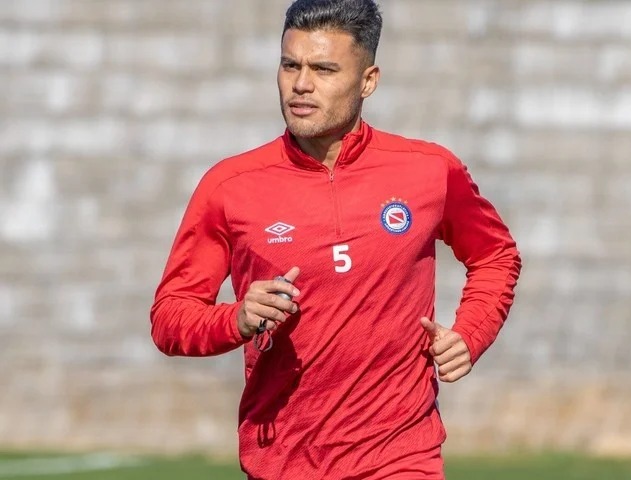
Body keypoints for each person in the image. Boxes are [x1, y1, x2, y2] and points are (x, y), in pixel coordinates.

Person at [150, 0, 521, 478]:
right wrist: (236, 319)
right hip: (283, 461)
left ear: (368, 80)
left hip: (401, 456)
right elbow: (169, 317)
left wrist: (471, 332)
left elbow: (495, 254)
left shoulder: (429, 170)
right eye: (290, 65)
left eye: (324, 69)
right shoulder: (230, 185)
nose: (301, 84)